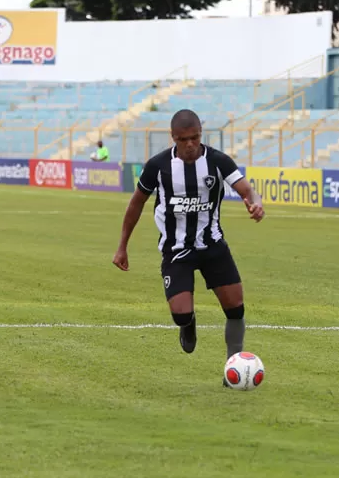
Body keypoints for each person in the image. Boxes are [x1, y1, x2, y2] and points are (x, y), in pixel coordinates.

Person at [112, 109, 264, 386]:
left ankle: (233, 367)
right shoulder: (158, 166)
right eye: (184, 140)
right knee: (180, 313)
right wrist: (122, 246)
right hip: (176, 249)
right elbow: (136, 203)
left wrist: (255, 203)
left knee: (235, 308)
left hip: (213, 245)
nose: (191, 144)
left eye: (195, 137)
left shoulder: (217, 161)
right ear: (174, 138)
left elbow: (247, 189)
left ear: (200, 135)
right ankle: (188, 322)